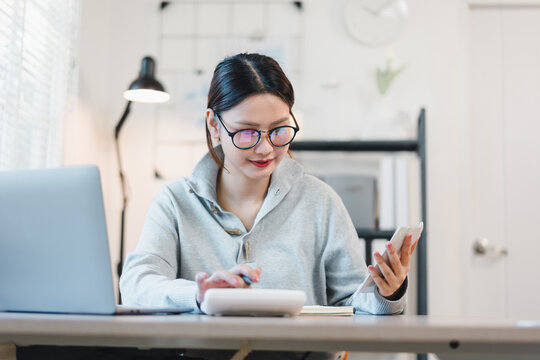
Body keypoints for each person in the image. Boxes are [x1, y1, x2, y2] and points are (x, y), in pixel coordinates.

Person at [120, 53, 418, 360]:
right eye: (247, 132)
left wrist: (387, 292)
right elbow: (136, 286)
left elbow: (357, 309)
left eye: (278, 130)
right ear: (214, 125)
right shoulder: (175, 202)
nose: (266, 148)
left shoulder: (321, 202)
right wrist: (199, 295)